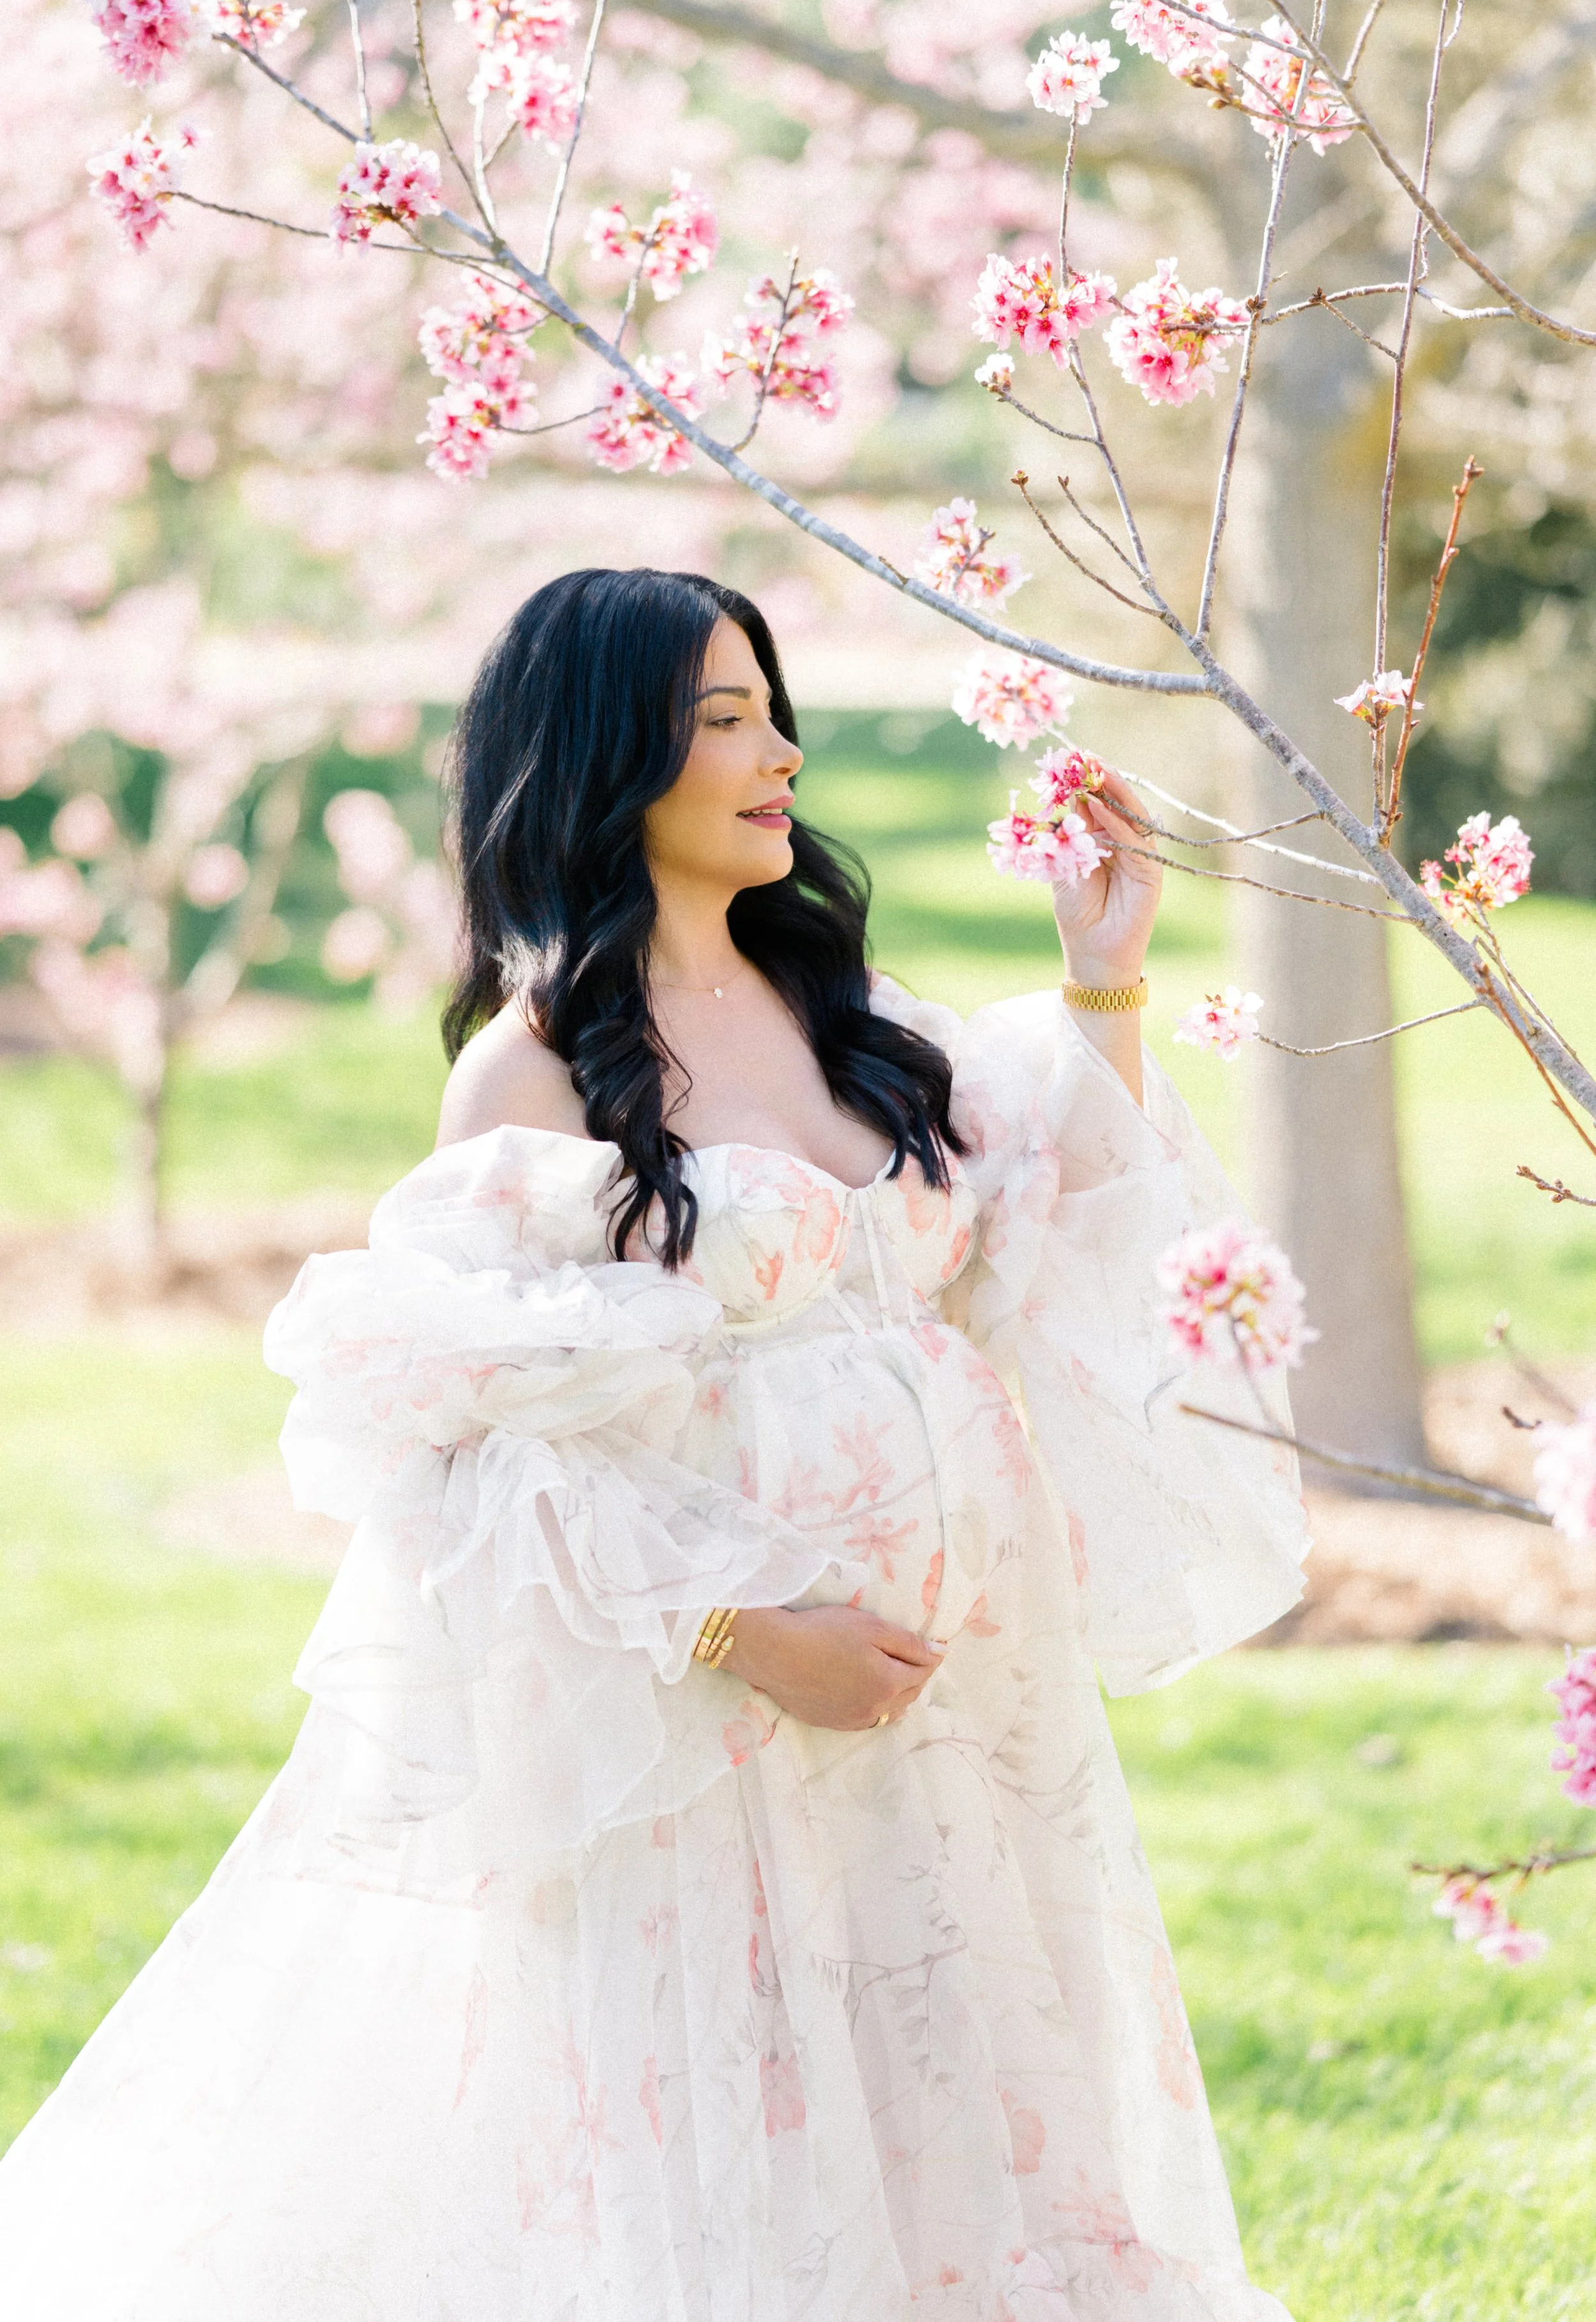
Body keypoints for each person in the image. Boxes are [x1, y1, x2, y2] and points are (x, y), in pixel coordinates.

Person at [0, 568, 1307, 2319]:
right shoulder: (536, 1084)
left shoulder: (861, 1020)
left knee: (967, 2100)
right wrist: (746, 1630)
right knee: (745, 2148)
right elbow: (463, 1461)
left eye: (771, 709)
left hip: (962, 1713)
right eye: (722, 719)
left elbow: (1046, 1227)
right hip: (706, 1734)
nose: (778, 752)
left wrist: (1105, 977)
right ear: (608, 756)